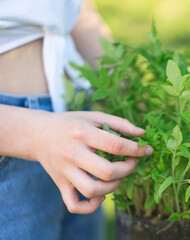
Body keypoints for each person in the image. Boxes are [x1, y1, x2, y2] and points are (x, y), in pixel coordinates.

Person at [0, 0, 153, 239]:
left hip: (77, 130)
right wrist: (36, 134)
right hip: (13, 140)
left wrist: (134, 98)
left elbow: (77, 11)